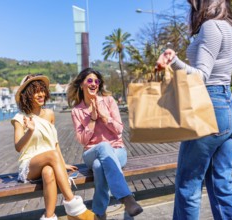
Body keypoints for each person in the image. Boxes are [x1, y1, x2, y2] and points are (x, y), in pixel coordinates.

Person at [156, 0, 232, 219]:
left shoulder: (211, 27)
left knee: (188, 182)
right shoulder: (230, 29)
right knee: (221, 181)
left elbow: (201, 76)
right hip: (229, 108)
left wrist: (174, 60)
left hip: (210, 105)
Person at [11, 74, 95, 220]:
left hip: (50, 160)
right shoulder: (20, 118)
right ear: (27, 95)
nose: (41, 94)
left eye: (42, 90)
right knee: (51, 157)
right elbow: (18, 147)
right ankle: (75, 208)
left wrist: (61, 164)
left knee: (49, 172)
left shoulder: (49, 114)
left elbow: (54, 144)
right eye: (36, 91)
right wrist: (30, 130)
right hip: (30, 165)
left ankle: (49, 216)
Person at [67, 68, 143, 219]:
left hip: (117, 150)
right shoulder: (77, 111)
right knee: (103, 146)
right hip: (91, 151)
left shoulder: (108, 101)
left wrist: (104, 117)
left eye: (97, 81)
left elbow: (119, 130)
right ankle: (127, 198)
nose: (94, 83)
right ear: (81, 84)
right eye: (89, 80)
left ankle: (99, 213)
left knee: (98, 165)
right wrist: (93, 120)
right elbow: (82, 140)